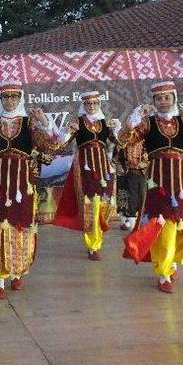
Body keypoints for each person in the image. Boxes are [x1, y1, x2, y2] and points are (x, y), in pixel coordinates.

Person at [0, 81, 68, 299]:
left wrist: (45, 123)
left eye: (14, 97)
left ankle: (17, 271)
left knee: (20, 224)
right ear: (0, 100)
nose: (10, 101)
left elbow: (53, 145)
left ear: (20, 99)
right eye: (6, 97)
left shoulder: (30, 123)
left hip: (22, 184)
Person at [119, 81, 183, 293]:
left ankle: (173, 260)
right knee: (161, 225)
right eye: (158, 98)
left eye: (167, 97)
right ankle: (163, 273)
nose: (163, 102)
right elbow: (124, 140)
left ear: (173, 98)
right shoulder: (147, 123)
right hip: (158, 180)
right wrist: (134, 119)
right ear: (153, 101)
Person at [54, 91, 121, 261]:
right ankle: (93, 245)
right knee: (91, 204)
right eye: (88, 104)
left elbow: (119, 142)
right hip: (85, 167)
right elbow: (62, 144)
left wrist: (117, 129)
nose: (91, 107)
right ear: (83, 106)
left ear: (99, 105)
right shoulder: (78, 123)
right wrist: (68, 132)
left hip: (103, 166)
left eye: (94, 104)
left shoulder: (105, 123)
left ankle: (98, 235)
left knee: (103, 204)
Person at [113, 138, 148, 231]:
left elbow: (149, 157)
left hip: (140, 174)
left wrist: (141, 165)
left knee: (141, 197)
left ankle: (137, 222)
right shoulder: (122, 140)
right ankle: (126, 221)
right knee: (124, 196)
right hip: (124, 175)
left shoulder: (144, 142)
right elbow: (116, 157)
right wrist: (121, 168)